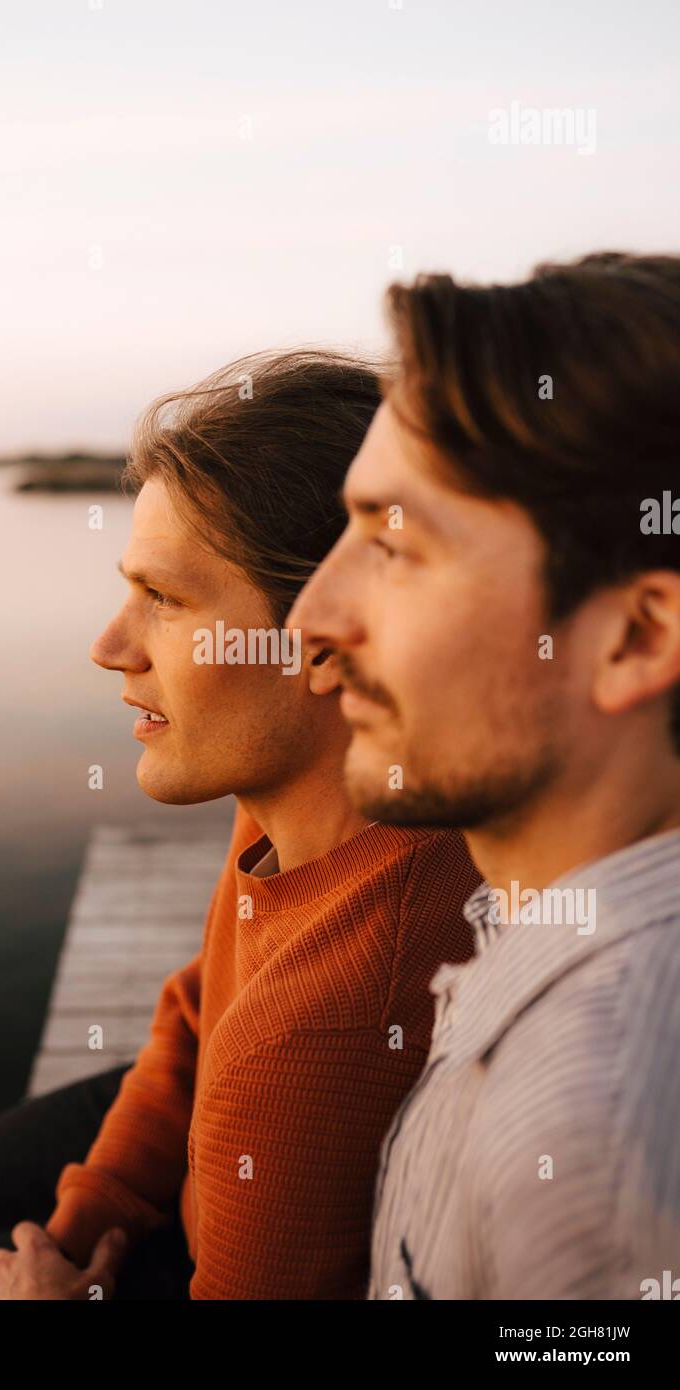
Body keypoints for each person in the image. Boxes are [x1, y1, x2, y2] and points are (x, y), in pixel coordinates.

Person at [0, 348, 479, 1300]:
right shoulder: (312, 791)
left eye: (166, 600)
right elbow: (197, 1008)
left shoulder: (314, 1039)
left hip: (219, 1228)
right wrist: (87, 1216)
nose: (108, 648)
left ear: (331, 637)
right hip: (208, 1124)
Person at [289, 253, 680, 1300]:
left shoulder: (596, 1154)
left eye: (395, 543)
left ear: (635, 636)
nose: (309, 621)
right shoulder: (548, 954)